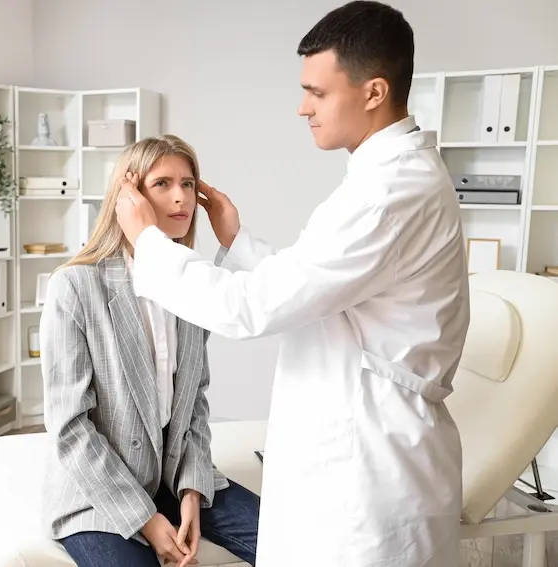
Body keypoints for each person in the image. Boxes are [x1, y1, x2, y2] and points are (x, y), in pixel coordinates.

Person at [114, 2, 470, 566]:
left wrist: (149, 243)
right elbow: (320, 287)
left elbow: (252, 308)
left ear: (374, 91)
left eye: (317, 92)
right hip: (353, 449)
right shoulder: (383, 181)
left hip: (370, 469)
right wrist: (237, 242)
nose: (302, 107)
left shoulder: (389, 195)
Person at [39, 134, 260, 567]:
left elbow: (193, 401)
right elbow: (70, 427)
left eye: (189, 184)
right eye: (162, 184)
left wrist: (193, 491)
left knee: (294, 542)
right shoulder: (76, 286)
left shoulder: (191, 283)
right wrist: (146, 519)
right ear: (129, 196)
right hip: (98, 489)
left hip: (173, 476)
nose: (181, 198)